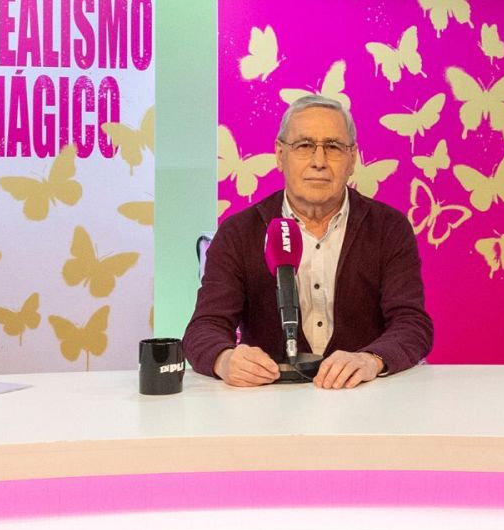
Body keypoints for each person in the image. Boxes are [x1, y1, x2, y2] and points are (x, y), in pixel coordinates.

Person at [184, 94, 432, 388]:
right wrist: (224, 360)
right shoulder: (239, 233)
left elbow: (412, 324)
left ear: (352, 158)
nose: (319, 161)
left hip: (364, 399)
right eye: (304, 146)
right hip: (269, 404)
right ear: (279, 155)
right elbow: (204, 328)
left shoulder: (388, 228)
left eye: (333, 147)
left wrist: (371, 360)